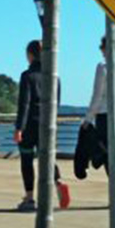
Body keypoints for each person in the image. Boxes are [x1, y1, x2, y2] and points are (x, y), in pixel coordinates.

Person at [14, 40, 70, 212]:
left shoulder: (27, 76)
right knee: (47, 158)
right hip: (48, 124)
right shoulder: (54, 77)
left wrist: (19, 128)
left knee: (27, 160)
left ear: (30, 55)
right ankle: (58, 182)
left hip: (30, 124)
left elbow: (25, 104)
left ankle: (30, 198)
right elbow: (56, 103)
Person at [78, 37, 115, 176]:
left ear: (107, 49)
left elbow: (97, 96)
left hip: (106, 115)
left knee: (106, 153)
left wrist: (88, 118)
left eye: (102, 47)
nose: (101, 51)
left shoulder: (103, 67)